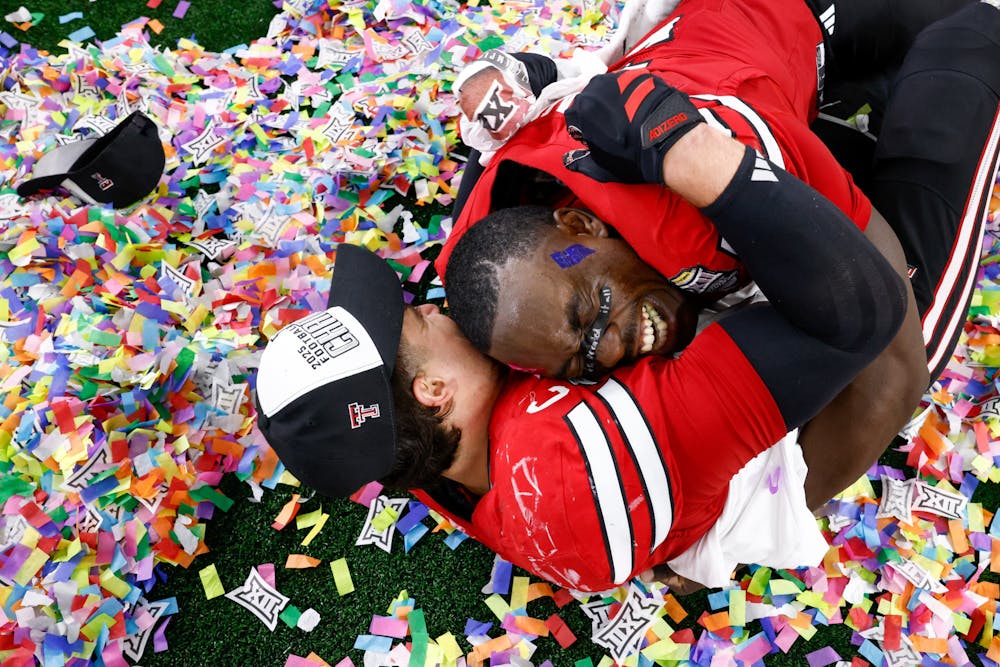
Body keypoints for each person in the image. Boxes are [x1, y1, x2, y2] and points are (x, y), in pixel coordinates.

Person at [255, 75, 909, 592]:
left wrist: (515, 84)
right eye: (419, 318)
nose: (436, 308)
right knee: (954, 79)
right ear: (431, 389)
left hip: (681, 433)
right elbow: (857, 325)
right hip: (816, 385)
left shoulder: (421, 454)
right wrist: (693, 152)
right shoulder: (578, 459)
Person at [441, 0, 988, 386]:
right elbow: (501, 104)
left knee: (901, 332)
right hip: (741, 61)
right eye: (574, 365)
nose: (607, 352)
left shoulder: (695, 202)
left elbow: (887, 340)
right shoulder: (492, 262)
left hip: (797, 20)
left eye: (589, 316)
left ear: (581, 226)